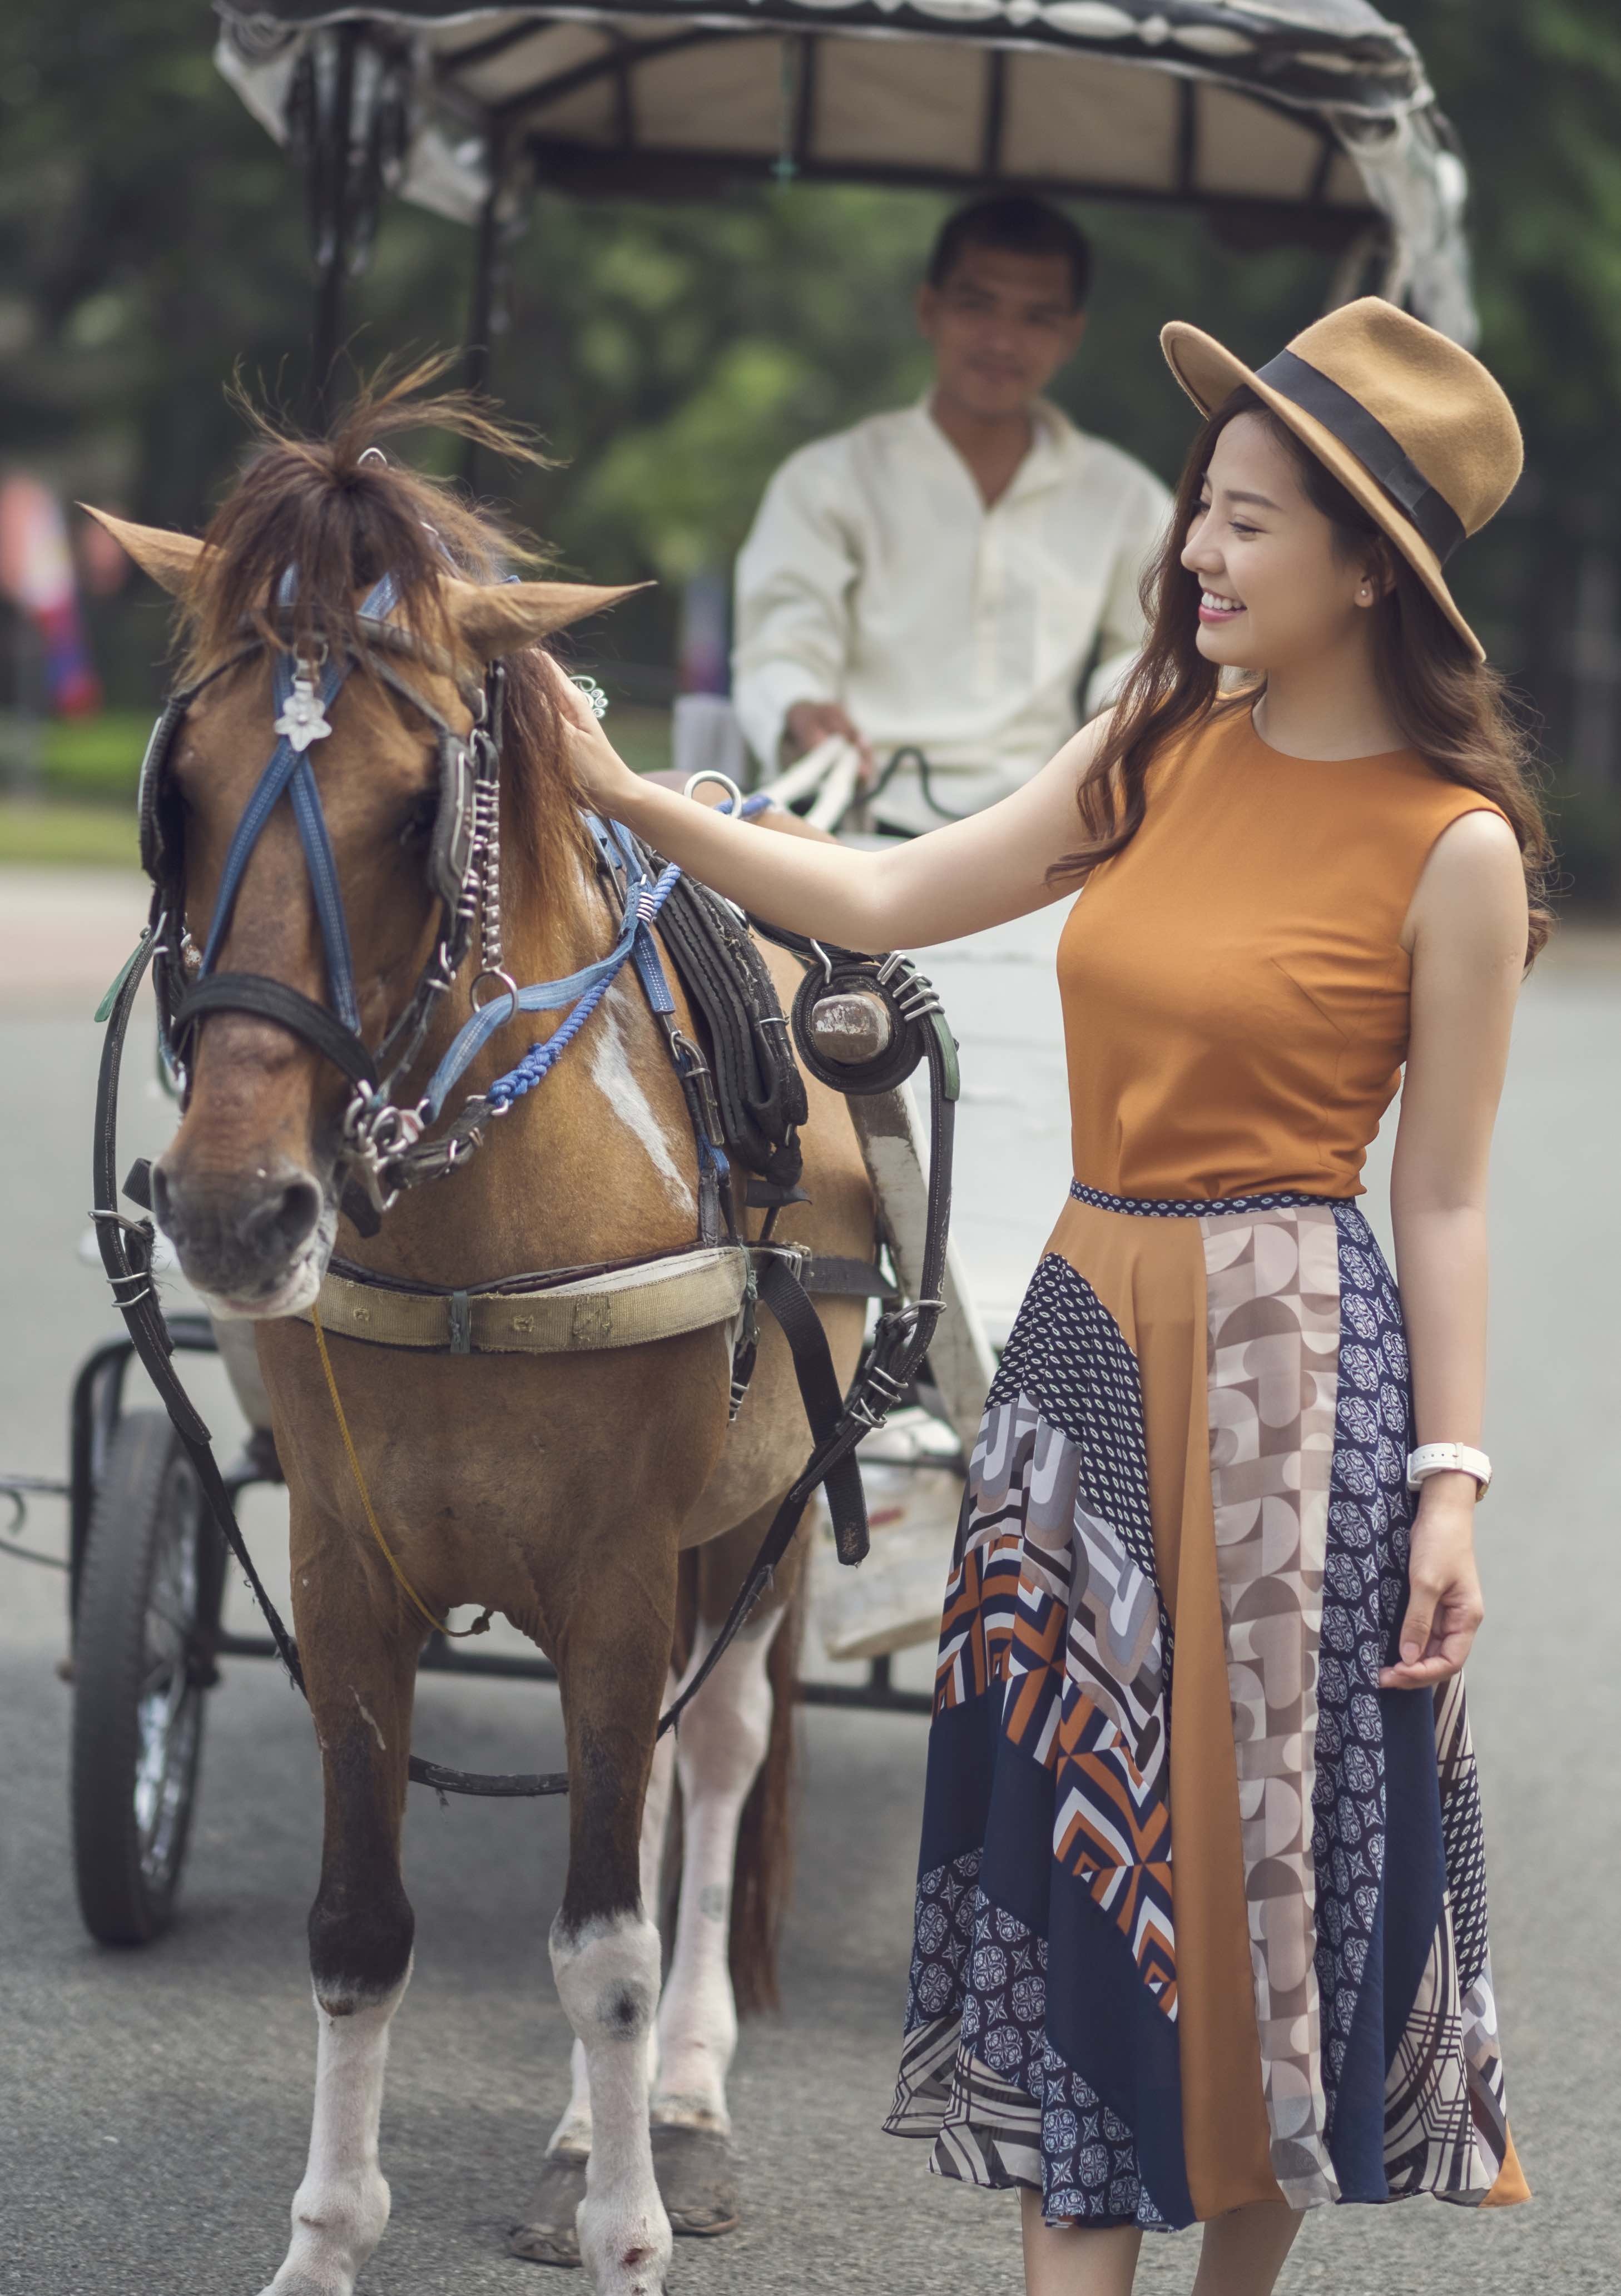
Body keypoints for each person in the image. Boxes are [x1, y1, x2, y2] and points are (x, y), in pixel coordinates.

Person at [554, 295, 1540, 2291]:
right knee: (1086, 1869)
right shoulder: (1155, 747)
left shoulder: (1458, 852)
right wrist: (632, 800)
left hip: (1300, 1382)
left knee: (1267, 1897)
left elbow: (1442, 1197)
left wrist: (1450, 1481)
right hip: (1087, 1337)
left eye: (1252, 523)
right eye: (1203, 510)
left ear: (1369, 565)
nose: (1198, 550)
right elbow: (893, 897)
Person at [731, 196, 1171, 834]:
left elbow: (1150, 649)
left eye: (1036, 317)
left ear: (1070, 334)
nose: (1001, 340)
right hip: (851, 819)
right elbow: (782, 636)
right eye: (976, 305)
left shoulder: (1126, 497)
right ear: (928, 309)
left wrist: (1128, 712)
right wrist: (799, 704)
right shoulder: (829, 480)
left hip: (1044, 831)